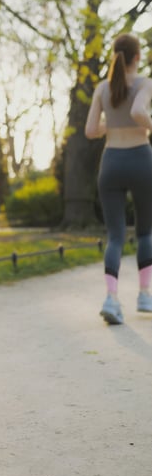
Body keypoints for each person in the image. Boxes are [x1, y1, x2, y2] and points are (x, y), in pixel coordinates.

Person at [85, 33, 152, 324]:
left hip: (111, 161)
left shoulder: (102, 87)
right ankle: (145, 295)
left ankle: (111, 300)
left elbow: (90, 131)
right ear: (137, 57)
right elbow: (138, 111)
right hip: (140, 160)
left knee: (114, 235)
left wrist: (110, 123)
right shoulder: (144, 83)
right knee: (146, 232)